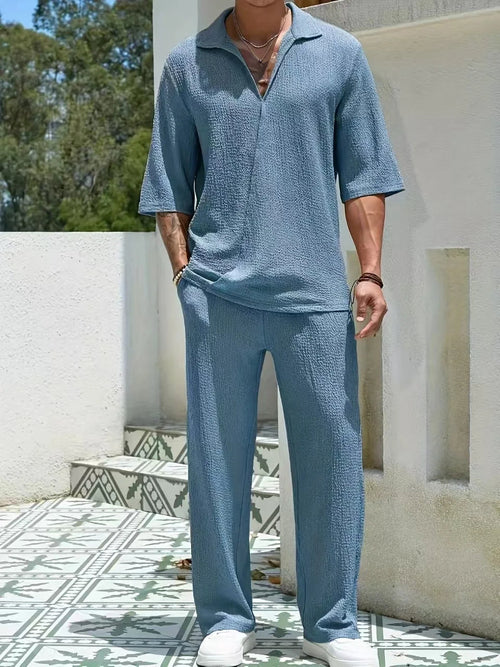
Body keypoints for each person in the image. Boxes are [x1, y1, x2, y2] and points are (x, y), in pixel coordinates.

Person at [138, 1, 405, 665]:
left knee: (331, 460)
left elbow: (364, 172)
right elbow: (168, 184)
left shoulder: (339, 54)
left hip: (314, 295)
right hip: (218, 296)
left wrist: (370, 271)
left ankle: (331, 623)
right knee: (216, 458)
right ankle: (227, 617)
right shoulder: (187, 65)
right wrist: (184, 275)